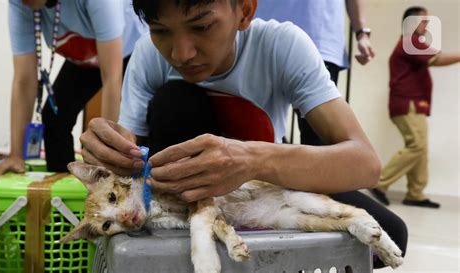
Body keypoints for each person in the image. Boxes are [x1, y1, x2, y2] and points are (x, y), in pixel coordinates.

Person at [80, 0, 407, 268]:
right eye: (160, 30)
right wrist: (108, 155)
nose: (181, 53)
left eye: (201, 26)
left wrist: (251, 158)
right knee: (175, 101)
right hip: (180, 200)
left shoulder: (282, 45)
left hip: (260, 189)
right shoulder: (147, 54)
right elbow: (128, 158)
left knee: (391, 233)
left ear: (245, 11)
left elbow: (365, 163)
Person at [0, 0, 147, 175]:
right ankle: (61, 184)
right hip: (86, 59)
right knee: (54, 118)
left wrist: (106, 158)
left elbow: (112, 79)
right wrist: (16, 156)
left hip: (130, 54)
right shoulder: (21, 3)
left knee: (136, 127)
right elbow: (24, 80)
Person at [369, 6, 460, 209]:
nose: (427, 24)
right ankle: (379, 184)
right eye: (423, 20)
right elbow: (438, 59)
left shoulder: (412, 43)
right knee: (417, 146)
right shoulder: (411, 42)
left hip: (414, 104)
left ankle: (415, 194)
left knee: (421, 148)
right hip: (408, 103)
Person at [256, 0, 376, 145]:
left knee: (318, 141)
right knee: (251, 130)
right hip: (262, 35)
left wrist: (362, 33)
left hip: (318, 42)